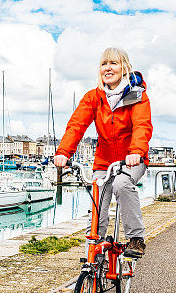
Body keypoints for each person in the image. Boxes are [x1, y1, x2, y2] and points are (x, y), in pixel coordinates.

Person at [54, 47, 153, 258]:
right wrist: (64, 152)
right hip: (104, 161)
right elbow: (77, 125)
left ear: (125, 67)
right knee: (98, 198)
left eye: (114, 63)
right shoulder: (93, 97)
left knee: (122, 184)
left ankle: (136, 238)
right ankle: (95, 252)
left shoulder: (138, 96)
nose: (108, 68)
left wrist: (135, 151)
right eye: (104, 64)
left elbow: (142, 126)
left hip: (132, 161)